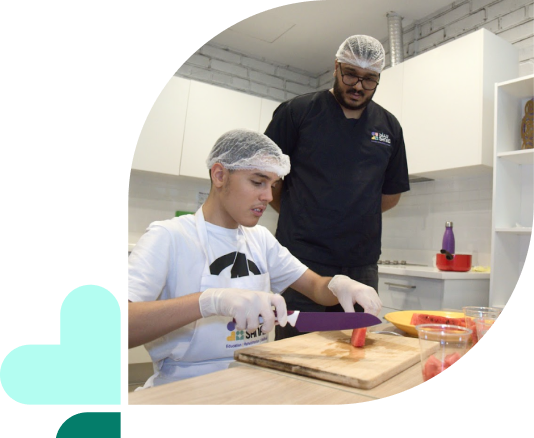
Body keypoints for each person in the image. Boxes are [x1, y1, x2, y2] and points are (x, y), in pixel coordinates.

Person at [128, 129, 382, 388]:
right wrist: (209, 302)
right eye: (258, 182)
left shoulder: (260, 239)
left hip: (254, 379)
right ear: (219, 175)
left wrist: (339, 285)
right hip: (182, 386)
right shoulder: (170, 236)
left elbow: (316, 287)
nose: (269, 196)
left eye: (273, 185)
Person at [264, 34, 410, 341]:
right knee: (295, 352)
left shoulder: (389, 127)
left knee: (353, 351)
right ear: (335, 67)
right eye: (350, 74)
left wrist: (352, 213)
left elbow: (390, 195)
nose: (358, 85)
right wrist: (303, 213)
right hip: (301, 263)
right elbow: (267, 180)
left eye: (369, 79)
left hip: (361, 265)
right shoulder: (297, 112)